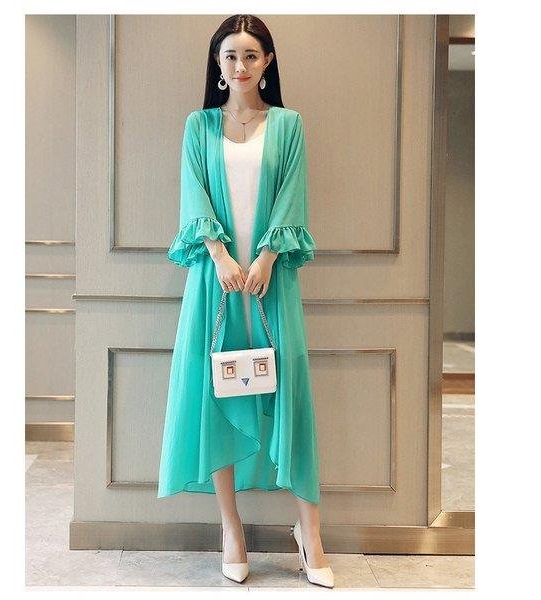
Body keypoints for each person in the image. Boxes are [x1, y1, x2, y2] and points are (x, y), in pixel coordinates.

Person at [157, 14, 333, 589]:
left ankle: (311, 534)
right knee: (218, 391)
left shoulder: (289, 125)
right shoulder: (198, 125)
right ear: (218, 62)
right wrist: (220, 256)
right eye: (230, 55)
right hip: (216, 281)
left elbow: (292, 196)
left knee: (289, 393)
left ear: (267, 62)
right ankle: (230, 529)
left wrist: (265, 258)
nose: (240, 65)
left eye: (251, 55)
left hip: (270, 280)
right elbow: (194, 194)